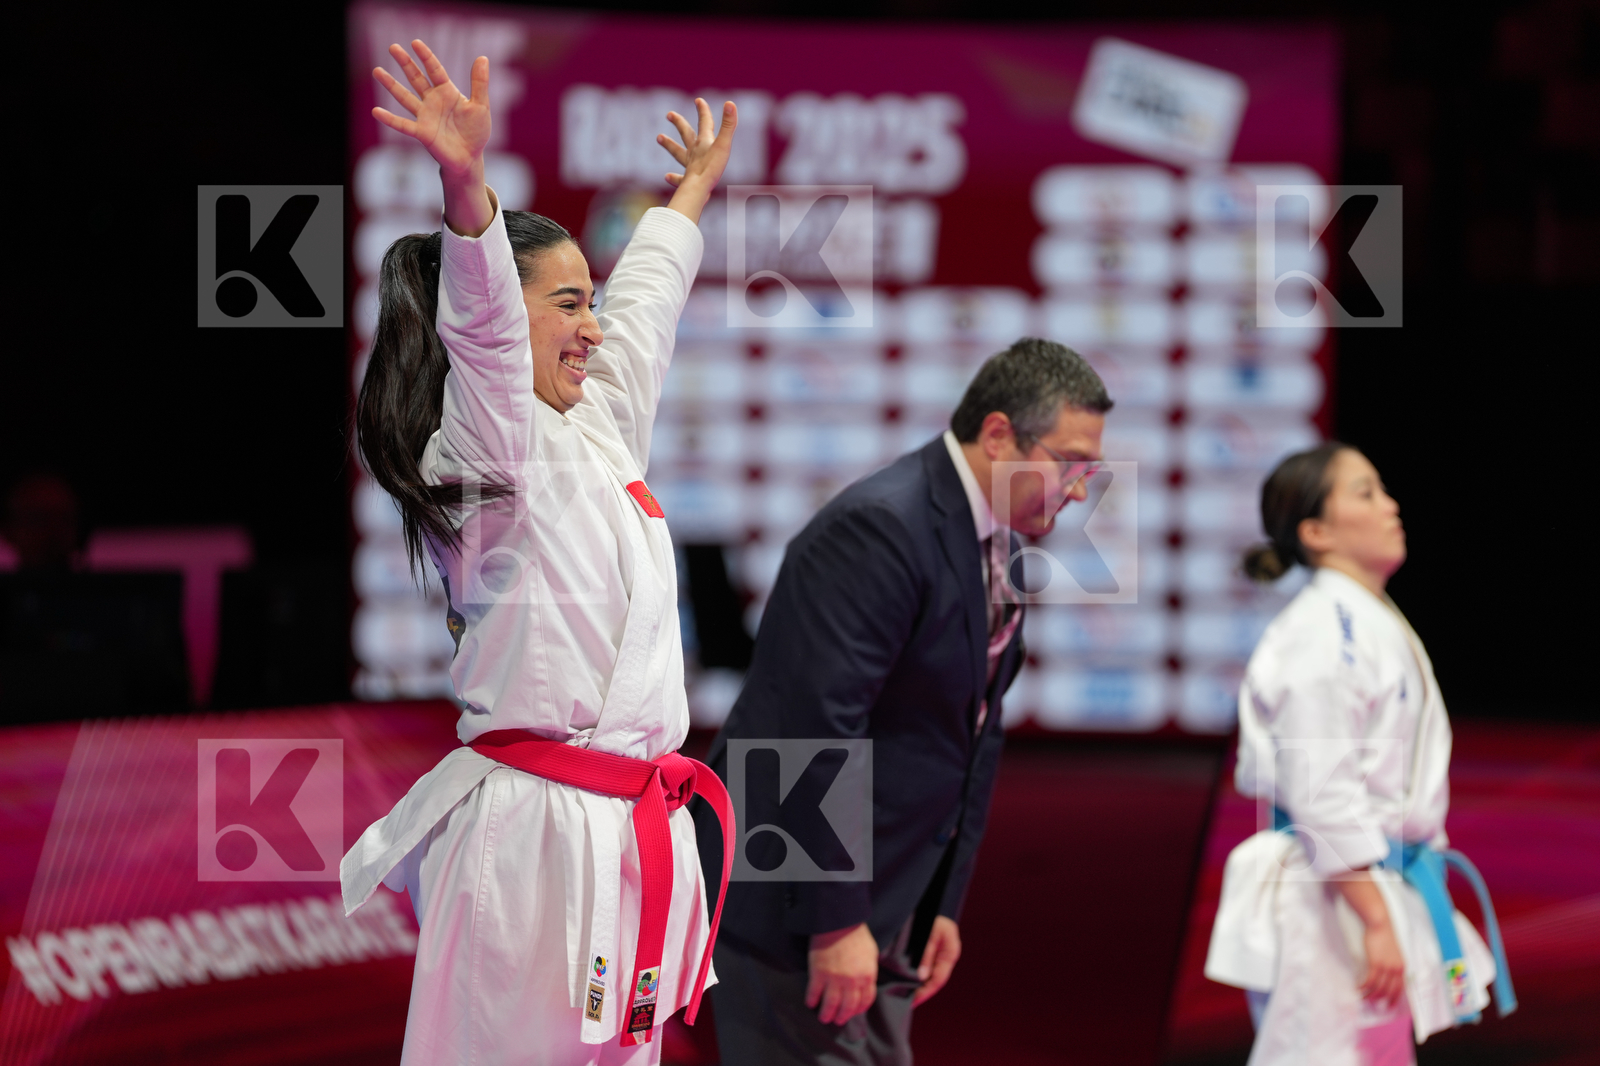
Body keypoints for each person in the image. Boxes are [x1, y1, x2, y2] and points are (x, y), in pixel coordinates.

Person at [338, 40, 740, 1066]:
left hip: (626, 833)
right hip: (528, 842)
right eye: (566, 304)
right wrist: (464, 186)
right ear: (501, 323)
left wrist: (685, 198)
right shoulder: (480, 449)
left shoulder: (601, 430)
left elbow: (646, 307)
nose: (593, 328)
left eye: (585, 301)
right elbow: (478, 330)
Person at [698, 339, 1114, 1066]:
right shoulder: (882, 528)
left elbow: (975, 729)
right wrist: (833, 924)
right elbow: (814, 731)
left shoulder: (997, 542)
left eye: (1091, 471)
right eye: (1069, 463)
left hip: (886, 899)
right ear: (997, 435)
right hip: (796, 905)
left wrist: (940, 902)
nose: (1080, 490)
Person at [1205, 443, 1515, 1066]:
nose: (1390, 505)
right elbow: (1319, 791)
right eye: (1365, 492)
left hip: (1363, 884)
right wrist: (1372, 917)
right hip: (1334, 896)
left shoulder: (1360, 618)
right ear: (1315, 531)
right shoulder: (1323, 632)